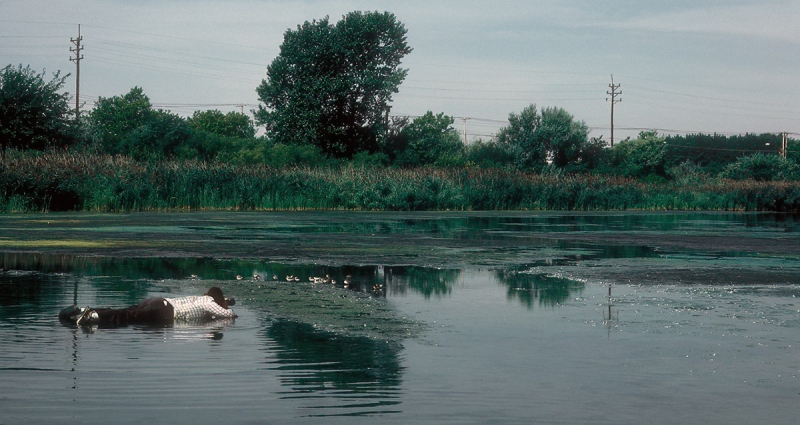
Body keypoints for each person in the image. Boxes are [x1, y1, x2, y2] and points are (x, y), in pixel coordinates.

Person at [59, 287, 237, 327]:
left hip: (157, 302)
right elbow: (228, 315)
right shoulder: (209, 302)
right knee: (127, 318)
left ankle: (82, 310)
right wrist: (226, 306)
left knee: (125, 311)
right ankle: (93, 317)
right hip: (164, 311)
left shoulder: (199, 298)